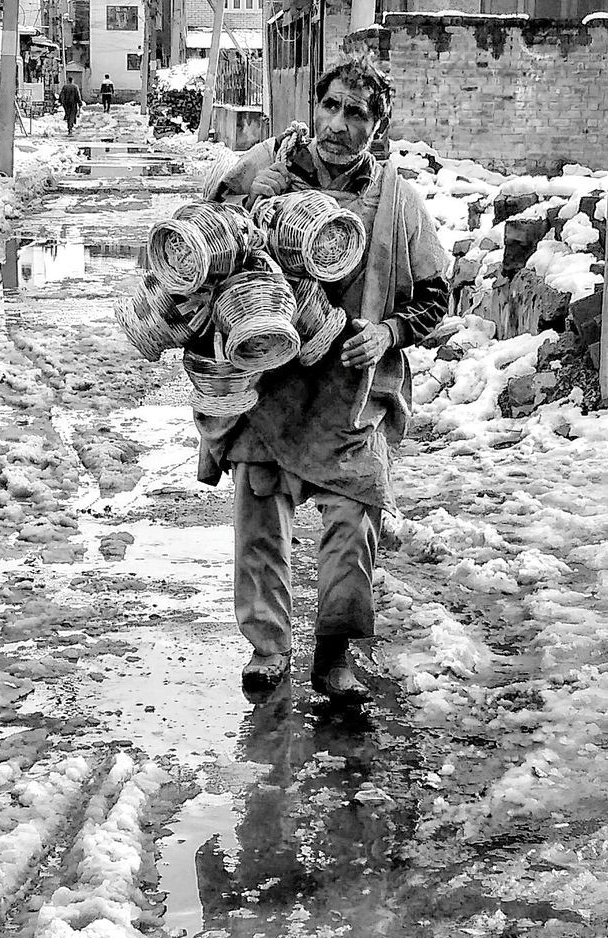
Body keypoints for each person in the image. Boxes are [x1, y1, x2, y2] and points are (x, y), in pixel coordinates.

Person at [193, 57, 450, 704]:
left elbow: (437, 294)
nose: (339, 124)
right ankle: (267, 648)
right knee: (258, 516)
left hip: (349, 395)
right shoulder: (261, 170)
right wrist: (248, 208)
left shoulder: (397, 201)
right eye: (331, 106)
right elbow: (199, 252)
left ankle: (333, 656)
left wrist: (388, 332)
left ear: (379, 125)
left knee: (353, 524)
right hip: (269, 389)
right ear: (315, 108)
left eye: (357, 113)